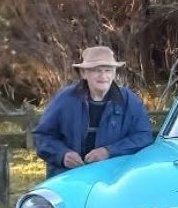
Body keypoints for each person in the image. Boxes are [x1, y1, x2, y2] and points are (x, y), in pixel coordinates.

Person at [34, 46, 154, 178]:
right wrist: (62, 155)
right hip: (68, 177)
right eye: (97, 70)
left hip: (113, 177)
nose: (103, 76)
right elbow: (43, 136)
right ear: (84, 73)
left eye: (108, 70)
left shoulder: (128, 100)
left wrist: (109, 151)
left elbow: (143, 136)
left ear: (114, 73)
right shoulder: (65, 99)